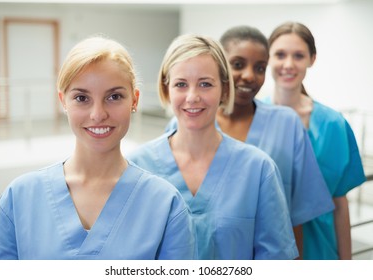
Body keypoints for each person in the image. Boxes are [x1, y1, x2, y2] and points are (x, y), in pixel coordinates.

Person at [0, 36, 196, 260]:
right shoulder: (20, 198)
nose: (97, 114)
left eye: (114, 96)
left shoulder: (165, 205)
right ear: (63, 101)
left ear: (134, 100)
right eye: (82, 98)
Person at [165, 26, 335, 259]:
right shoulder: (184, 127)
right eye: (237, 64)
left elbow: (295, 218)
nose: (248, 75)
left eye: (260, 68)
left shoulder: (283, 128)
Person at [127, 34, 298, 260]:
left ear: (225, 90)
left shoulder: (258, 170)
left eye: (205, 84)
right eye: (180, 84)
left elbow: (277, 261)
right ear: (166, 89)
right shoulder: (137, 167)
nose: (192, 97)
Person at [266, 21, 366, 259]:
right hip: (267, 249)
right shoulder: (253, 119)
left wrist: (345, 264)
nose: (288, 64)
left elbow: (340, 204)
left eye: (298, 56)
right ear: (268, 58)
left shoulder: (333, 124)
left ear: (312, 59)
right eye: (280, 54)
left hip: (320, 249)